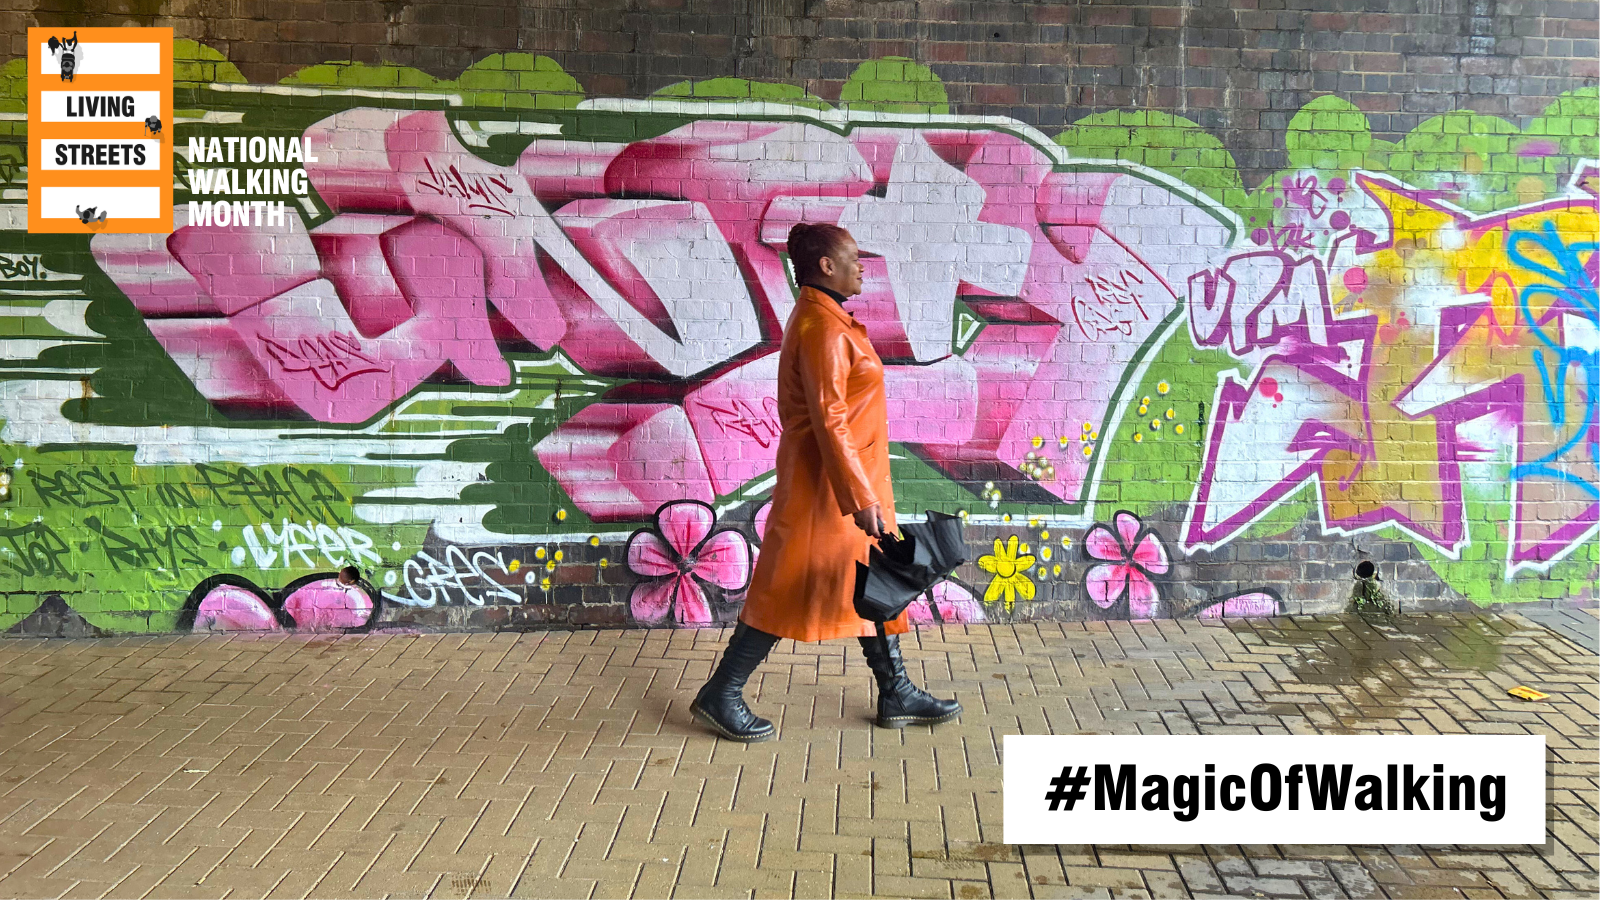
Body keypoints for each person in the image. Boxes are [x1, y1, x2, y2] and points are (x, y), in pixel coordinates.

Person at [690, 223, 962, 742]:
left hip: (844, 485)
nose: (863, 267)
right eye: (854, 258)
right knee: (785, 587)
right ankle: (721, 692)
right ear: (826, 266)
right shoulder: (824, 328)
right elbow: (829, 418)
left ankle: (896, 691)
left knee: (874, 581)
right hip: (830, 492)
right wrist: (859, 498)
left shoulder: (830, 321)